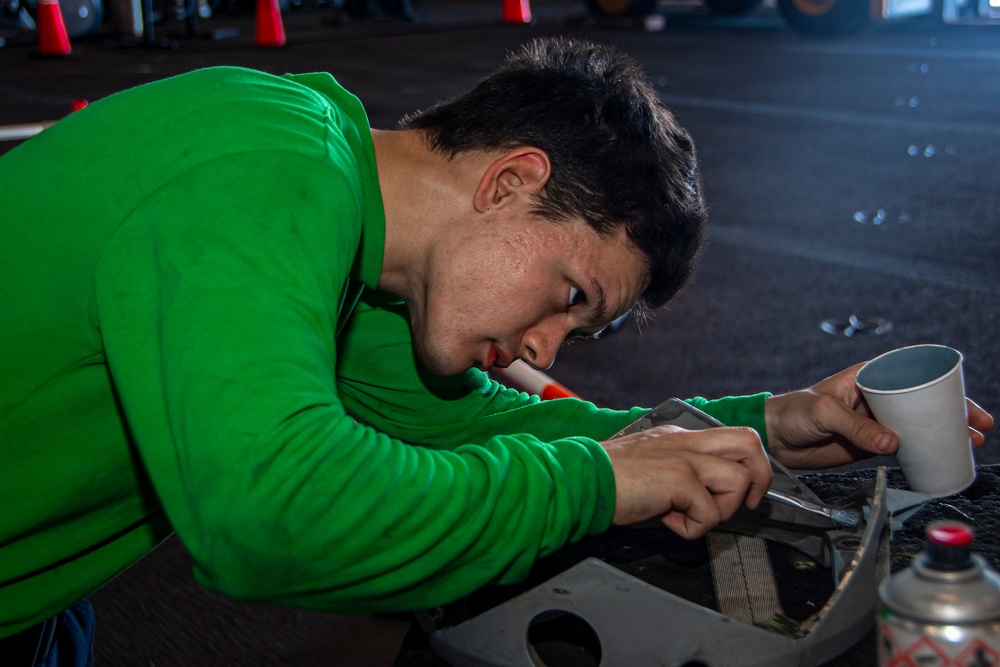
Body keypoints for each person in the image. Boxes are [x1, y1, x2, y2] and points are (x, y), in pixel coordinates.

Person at [0, 37, 992, 665]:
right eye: (570, 295)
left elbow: (503, 425)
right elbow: (277, 513)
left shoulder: (357, 256)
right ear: (512, 180)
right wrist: (596, 485)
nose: (543, 344)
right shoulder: (264, 166)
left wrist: (776, 424)